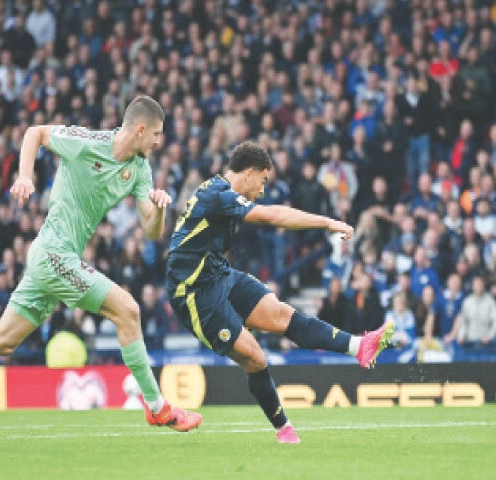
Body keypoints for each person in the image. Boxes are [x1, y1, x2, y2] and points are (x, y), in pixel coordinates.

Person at [0, 96, 202, 432]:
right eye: (156, 134)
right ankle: (157, 406)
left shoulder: (139, 169)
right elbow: (34, 133)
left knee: (2, 340)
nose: (159, 141)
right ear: (140, 130)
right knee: (128, 309)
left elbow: (152, 231)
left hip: (55, 258)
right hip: (53, 252)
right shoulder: (85, 143)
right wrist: (25, 177)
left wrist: (160, 207)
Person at [166, 141, 393, 444]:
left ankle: (360, 347)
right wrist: (326, 222)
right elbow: (274, 216)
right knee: (256, 358)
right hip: (193, 292)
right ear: (248, 174)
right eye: (262, 181)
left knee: (283, 314)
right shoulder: (218, 196)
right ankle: (284, 430)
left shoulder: (219, 190)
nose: (261, 190)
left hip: (217, 274)